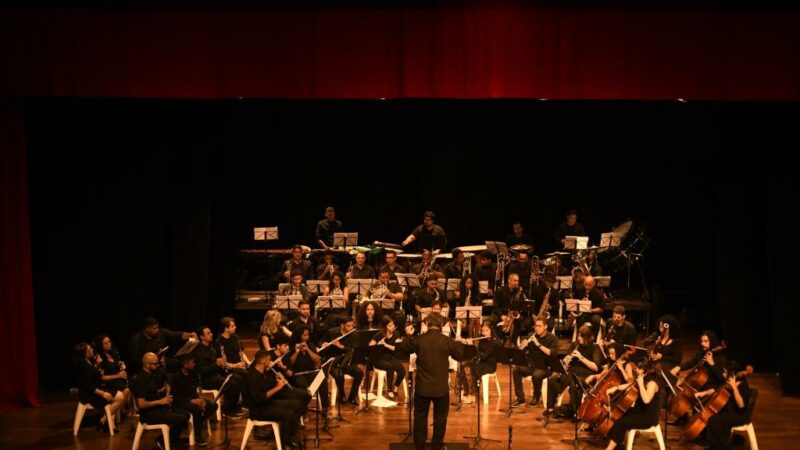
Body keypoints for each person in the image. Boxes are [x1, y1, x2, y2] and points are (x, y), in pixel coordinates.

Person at [401, 313, 464, 450]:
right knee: (440, 418)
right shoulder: (447, 341)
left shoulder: (419, 340)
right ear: (441, 326)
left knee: (420, 417)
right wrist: (458, 341)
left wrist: (408, 335)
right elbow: (459, 355)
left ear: (428, 325)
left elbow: (404, 349)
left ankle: (419, 446)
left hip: (422, 387)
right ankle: (437, 445)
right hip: (440, 388)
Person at [243, 351, 305, 449]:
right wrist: (278, 387)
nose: (270, 362)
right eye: (269, 360)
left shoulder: (263, 372)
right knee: (288, 413)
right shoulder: (251, 376)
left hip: (267, 404)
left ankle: (289, 434)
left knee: (298, 404)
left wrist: (278, 381)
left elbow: (268, 384)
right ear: (263, 361)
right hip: (258, 410)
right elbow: (259, 399)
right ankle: (286, 443)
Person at [131, 352, 190, 449]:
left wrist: (161, 390)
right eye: (155, 363)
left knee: (186, 414)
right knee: (181, 418)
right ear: (147, 364)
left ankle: (172, 441)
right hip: (149, 415)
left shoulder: (151, 375)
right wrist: (161, 401)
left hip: (158, 409)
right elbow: (141, 404)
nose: (158, 365)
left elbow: (150, 392)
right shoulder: (141, 378)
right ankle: (162, 441)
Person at [544, 325, 602, 419]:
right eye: (578, 336)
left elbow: (595, 367)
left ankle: (575, 411)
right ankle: (550, 407)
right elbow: (566, 360)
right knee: (552, 380)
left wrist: (581, 357)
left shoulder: (595, 347)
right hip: (571, 372)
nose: (578, 338)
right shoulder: (575, 345)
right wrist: (565, 360)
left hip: (586, 375)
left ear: (587, 337)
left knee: (574, 383)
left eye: (581, 336)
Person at [603, 365, 663, 450]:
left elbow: (646, 400)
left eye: (638, 368)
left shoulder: (652, 384)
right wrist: (616, 388)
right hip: (641, 411)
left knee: (622, 423)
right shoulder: (643, 379)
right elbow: (629, 385)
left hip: (647, 417)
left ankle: (609, 448)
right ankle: (618, 445)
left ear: (644, 371)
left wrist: (641, 384)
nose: (636, 370)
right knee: (619, 415)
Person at [189, 326, 245, 418]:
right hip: (205, 380)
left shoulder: (211, 348)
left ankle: (235, 407)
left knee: (238, 378)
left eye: (210, 332)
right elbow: (203, 371)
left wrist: (225, 365)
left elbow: (217, 364)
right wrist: (216, 364)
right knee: (232, 384)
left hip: (215, 375)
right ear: (202, 337)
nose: (211, 334)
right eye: (208, 333)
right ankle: (227, 410)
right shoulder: (198, 352)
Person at [73, 342, 126, 432]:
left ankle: (105, 421)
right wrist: (103, 394)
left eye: (91, 348)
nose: (91, 350)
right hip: (90, 394)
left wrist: (98, 364)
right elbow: (88, 386)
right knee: (120, 397)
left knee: (121, 394)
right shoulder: (82, 365)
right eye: (88, 349)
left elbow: (97, 375)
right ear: (83, 352)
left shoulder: (89, 361)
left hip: (95, 389)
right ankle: (104, 421)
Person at [170, 354, 217, 447]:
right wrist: (191, 401)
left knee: (213, 405)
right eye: (192, 363)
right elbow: (174, 397)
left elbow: (195, 389)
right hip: (181, 402)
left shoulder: (193, 374)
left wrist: (200, 399)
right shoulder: (176, 378)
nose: (194, 364)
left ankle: (198, 423)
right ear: (185, 365)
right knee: (196, 410)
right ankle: (198, 435)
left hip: (193, 400)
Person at [704, 362, 752, 450]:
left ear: (732, 373)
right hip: (729, 412)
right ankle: (714, 447)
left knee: (716, 421)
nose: (724, 374)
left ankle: (723, 447)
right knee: (712, 419)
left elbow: (741, 405)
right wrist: (704, 393)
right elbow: (717, 389)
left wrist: (734, 387)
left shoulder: (743, 385)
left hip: (738, 415)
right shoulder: (728, 382)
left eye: (725, 372)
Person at [512, 317, 558, 407]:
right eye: (536, 326)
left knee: (536, 375)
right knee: (516, 370)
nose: (537, 328)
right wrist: (522, 346)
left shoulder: (552, 338)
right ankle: (520, 398)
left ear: (545, 327)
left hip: (546, 366)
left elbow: (552, 353)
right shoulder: (531, 335)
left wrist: (538, 344)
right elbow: (522, 352)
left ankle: (536, 396)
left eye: (539, 326)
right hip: (533, 364)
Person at [320, 315, 363, 406]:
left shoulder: (354, 334)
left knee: (359, 373)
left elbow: (353, 350)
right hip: (334, 362)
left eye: (352, 326)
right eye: (348, 326)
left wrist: (341, 346)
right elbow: (321, 342)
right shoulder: (332, 332)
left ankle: (353, 396)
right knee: (339, 375)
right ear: (342, 325)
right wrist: (323, 344)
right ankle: (342, 394)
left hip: (348, 362)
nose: (351, 328)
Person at [287, 325, 329, 412]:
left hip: (310, 372)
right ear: (299, 335)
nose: (307, 337)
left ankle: (325, 408)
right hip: (298, 374)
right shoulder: (291, 345)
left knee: (322, 380)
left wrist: (308, 350)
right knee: (304, 387)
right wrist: (296, 352)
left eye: (308, 335)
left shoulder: (309, 343)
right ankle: (303, 410)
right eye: (305, 335)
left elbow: (317, 359)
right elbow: (290, 363)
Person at [457, 320, 499, 405]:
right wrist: (466, 344)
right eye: (483, 331)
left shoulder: (494, 342)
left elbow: (483, 356)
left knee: (469, 369)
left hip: (489, 365)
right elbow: (475, 355)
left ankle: (472, 395)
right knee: (463, 366)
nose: (484, 333)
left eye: (486, 330)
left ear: (491, 330)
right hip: (481, 362)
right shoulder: (482, 340)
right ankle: (468, 392)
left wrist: (472, 346)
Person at [370, 316, 406, 400]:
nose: (392, 327)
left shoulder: (396, 333)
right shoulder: (380, 334)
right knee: (390, 367)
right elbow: (370, 346)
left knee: (402, 371)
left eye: (393, 325)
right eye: (390, 325)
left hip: (390, 357)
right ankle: (389, 390)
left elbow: (396, 349)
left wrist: (385, 345)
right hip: (379, 359)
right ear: (385, 326)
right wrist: (378, 344)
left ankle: (395, 388)